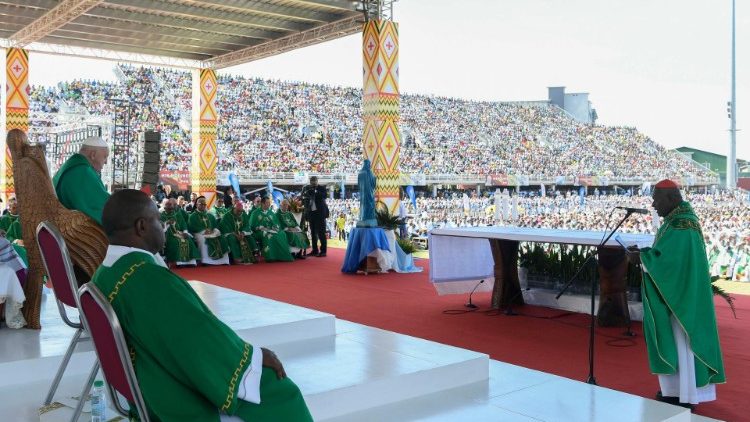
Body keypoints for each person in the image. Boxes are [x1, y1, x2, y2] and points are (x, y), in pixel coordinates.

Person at [92, 189, 312, 421]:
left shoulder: (105, 272)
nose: (163, 226)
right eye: (158, 219)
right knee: (282, 392)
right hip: (165, 392)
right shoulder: (149, 280)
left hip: (142, 380)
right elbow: (197, 340)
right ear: (141, 227)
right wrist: (253, 357)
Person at [627, 179, 725, 409]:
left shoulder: (682, 224)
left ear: (671, 198)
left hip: (682, 300)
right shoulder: (676, 220)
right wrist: (645, 255)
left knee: (684, 344)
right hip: (678, 294)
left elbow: (671, 262)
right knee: (678, 344)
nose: (653, 204)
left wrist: (641, 258)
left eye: (656, 199)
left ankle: (686, 395)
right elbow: (667, 255)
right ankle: (674, 392)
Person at [52, 136, 110, 225]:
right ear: (93, 155)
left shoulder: (71, 166)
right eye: (105, 157)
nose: (105, 162)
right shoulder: (82, 171)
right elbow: (99, 205)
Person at [249, 196, 294, 262]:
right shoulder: (255, 213)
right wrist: (260, 227)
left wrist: (275, 227)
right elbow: (251, 226)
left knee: (282, 234)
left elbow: (276, 223)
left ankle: (281, 256)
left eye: (269, 202)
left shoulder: (271, 212)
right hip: (259, 232)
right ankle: (270, 257)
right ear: (262, 203)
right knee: (268, 236)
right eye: (267, 203)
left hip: (271, 230)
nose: (269, 204)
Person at [188, 196, 230, 265]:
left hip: (211, 233)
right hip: (198, 233)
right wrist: (203, 231)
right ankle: (205, 260)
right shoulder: (193, 216)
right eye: (201, 204)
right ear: (196, 205)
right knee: (203, 239)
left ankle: (223, 260)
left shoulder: (210, 215)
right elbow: (191, 226)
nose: (203, 206)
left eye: (204, 204)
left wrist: (214, 231)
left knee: (222, 238)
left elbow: (215, 225)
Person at [161, 198, 200, 267]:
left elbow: (183, 224)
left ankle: (191, 262)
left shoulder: (177, 214)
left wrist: (185, 232)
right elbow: (160, 226)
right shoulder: (161, 216)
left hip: (179, 233)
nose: (171, 210)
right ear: (165, 208)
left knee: (189, 240)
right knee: (176, 242)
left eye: (172, 208)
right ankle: (179, 262)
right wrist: (166, 223)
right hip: (168, 234)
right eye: (169, 208)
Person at [303, 176, 328, 257]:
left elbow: (324, 196)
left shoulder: (321, 188)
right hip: (311, 213)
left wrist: (315, 191)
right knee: (313, 233)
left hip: (320, 213)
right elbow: (303, 196)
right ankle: (314, 250)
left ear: (317, 181)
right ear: (310, 182)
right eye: (311, 181)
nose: (313, 183)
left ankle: (323, 251)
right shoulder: (307, 188)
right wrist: (307, 192)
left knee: (321, 233)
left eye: (314, 181)